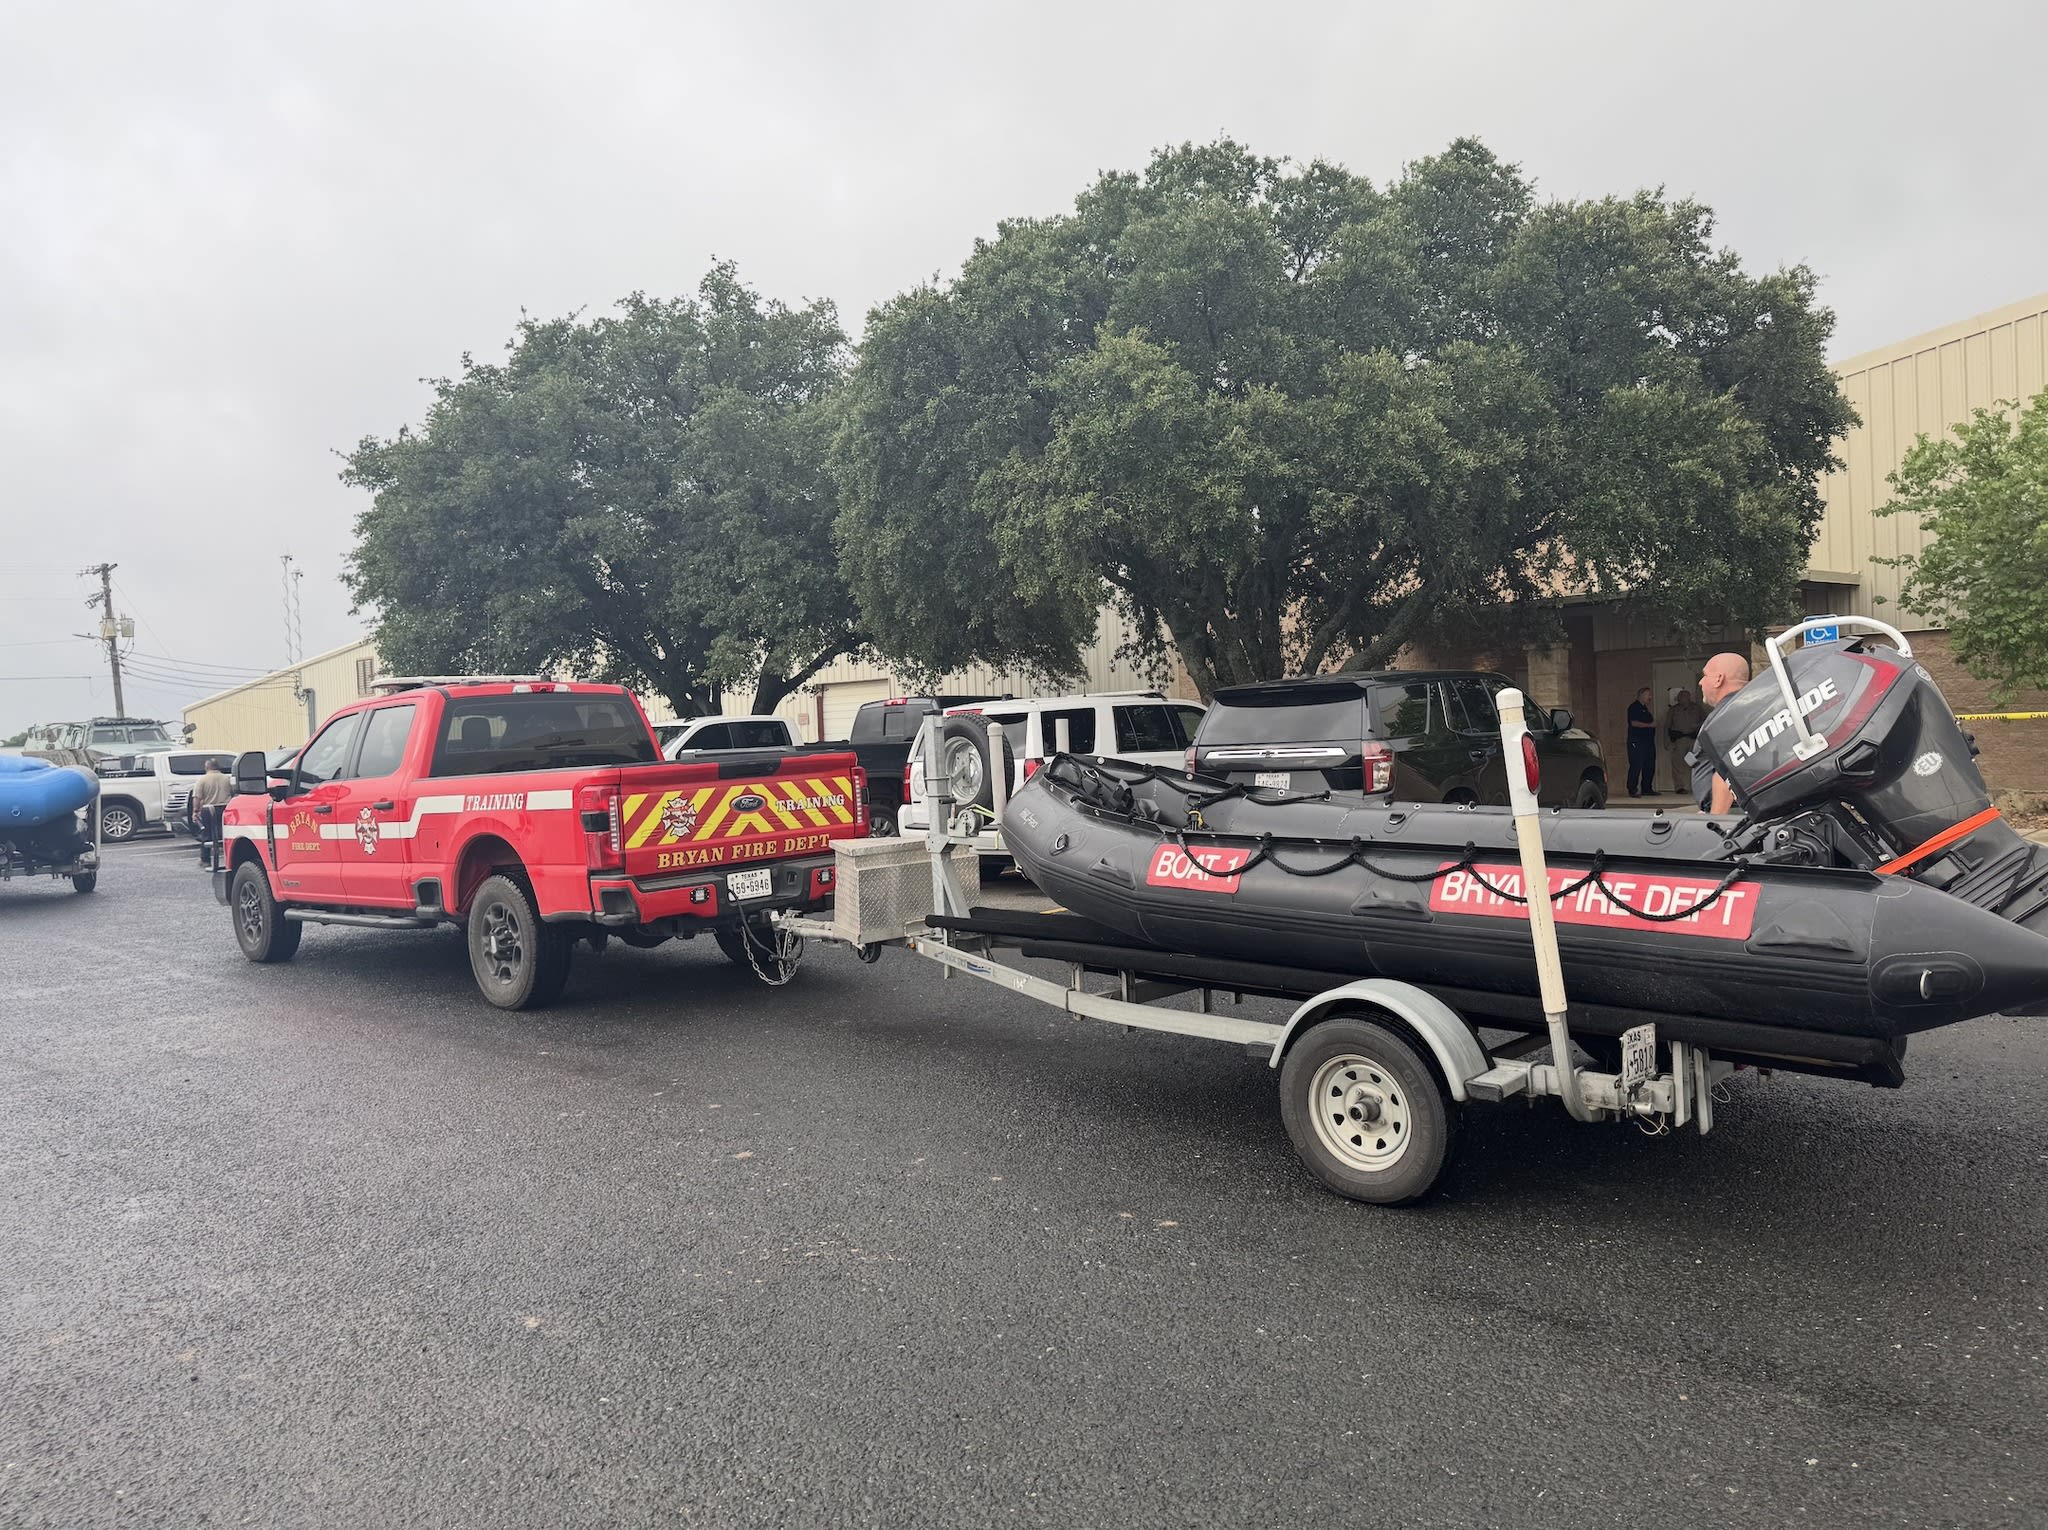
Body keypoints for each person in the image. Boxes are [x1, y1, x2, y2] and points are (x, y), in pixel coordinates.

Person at [1688, 653, 1751, 816]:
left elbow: (1726, 773)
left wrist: (1716, 820)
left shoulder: (1727, 716)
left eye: (1705, 675)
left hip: (1730, 816)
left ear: (1718, 679)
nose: (1701, 682)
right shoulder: (1744, 708)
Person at [190, 756, 236, 869]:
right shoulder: (226, 778)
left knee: (207, 834)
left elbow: (197, 797)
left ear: (207, 767)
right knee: (226, 834)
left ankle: (205, 860)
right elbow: (233, 793)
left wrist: (195, 811)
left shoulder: (202, 780)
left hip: (209, 810)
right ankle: (230, 859)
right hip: (226, 809)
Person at [1664, 686, 1707, 793]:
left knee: (1696, 763)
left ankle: (1697, 787)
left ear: (1689, 697)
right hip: (1679, 740)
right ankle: (1679, 787)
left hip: (1693, 740)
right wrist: (1667, 742)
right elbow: (1667, 726)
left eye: (1685, 696)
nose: (1683, 699)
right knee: (1678, 764)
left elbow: (1706, 721)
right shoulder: (1673, 710)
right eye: (1681, 697)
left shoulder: (1697, 708)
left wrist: (1697, 725)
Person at [1625, 686, 1657, 797]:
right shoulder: (1634, 707)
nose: (1650, 697)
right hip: (1637, 741)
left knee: (1649, 765)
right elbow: (1634, 723)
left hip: (1648, 741)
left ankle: (1647, 788)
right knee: (1636, 764)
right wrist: (1649, 725)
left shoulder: (1645, 709)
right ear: (1641, 695)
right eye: (1648, 695)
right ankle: (1632, 789)